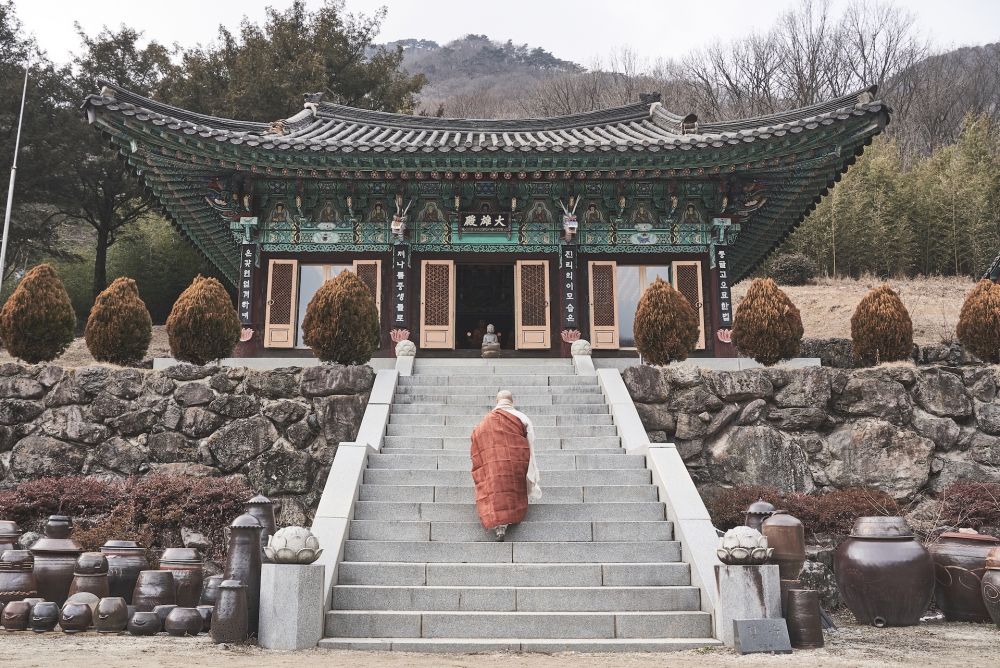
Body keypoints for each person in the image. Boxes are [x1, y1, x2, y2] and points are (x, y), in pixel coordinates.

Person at [469, 390, 541, 541]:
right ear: (512, 401)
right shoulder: (522, 417)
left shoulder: (486, 420)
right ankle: (509, 518)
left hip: (493, 463)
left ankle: (499, 527)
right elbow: (530, 441)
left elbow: (476, 436)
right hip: (515, 460)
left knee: (496, 490)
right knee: (512, 488)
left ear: (497, 401)